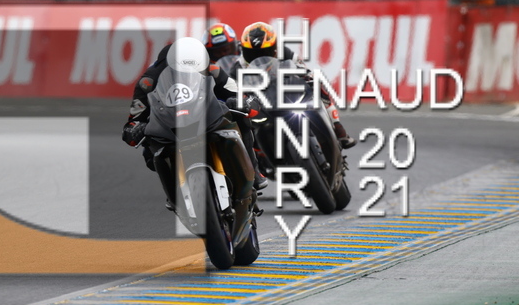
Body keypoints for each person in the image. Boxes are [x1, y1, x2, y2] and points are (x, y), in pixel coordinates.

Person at [122, 37, 269, 195]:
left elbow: (245, 98)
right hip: (170, 128)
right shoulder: (148, 82)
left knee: (242, 118)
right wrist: (135, 129)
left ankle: (253, 171)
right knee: (149, 153)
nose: (188, 73)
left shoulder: (214, 71)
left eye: (194, 69)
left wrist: (243, 103)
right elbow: (132, 122)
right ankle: (173, 191)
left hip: (208, 118)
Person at [235, 21, 356, 149]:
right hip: (260, 100)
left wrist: (308, 77)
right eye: (252, 53)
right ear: (243, 49)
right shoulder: (238, 65)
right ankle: (257, 153)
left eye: (264, 52)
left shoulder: (285, 53)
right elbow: (233, 89)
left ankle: (337, 126)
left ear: (274, 48)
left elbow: (304, 69)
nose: (258, 58)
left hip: (284, 90)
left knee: (317, 85)